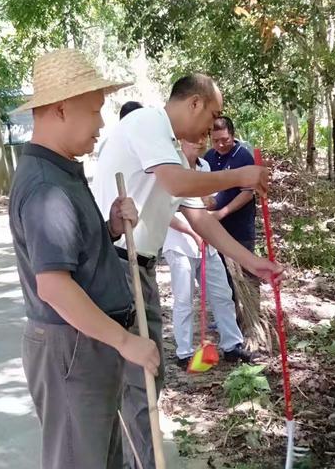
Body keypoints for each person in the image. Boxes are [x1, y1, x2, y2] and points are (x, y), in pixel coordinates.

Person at [92, 73, 283, 469]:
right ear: (194, 103)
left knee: (146, 379)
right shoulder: (147, 123)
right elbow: (176, 181)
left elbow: (202, 219)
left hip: (138, 268)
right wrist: (241, 175)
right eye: (212, 115)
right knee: (138, 381)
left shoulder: (173, 153)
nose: (211, 127)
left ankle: (139, 460)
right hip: (116, 263)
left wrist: (252, 263)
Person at [8, 48, 160, 469]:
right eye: (93, 111)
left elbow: (74, 255)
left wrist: (109, 228)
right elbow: (54, 286)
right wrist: (125, 341)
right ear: (61, 109)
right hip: (71, 350)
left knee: (99, 457)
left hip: (86, 344)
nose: (99, 124)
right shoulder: (45, 186)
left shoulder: (61, 171)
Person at [163, 138, 252, 369]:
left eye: (203, 137)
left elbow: (208, 203)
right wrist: (193, 232)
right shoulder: (171, 168)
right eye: (194, 138)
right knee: (184, 299)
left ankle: (232, 345)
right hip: (180, 243)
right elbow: (165, 212)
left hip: (207, 243)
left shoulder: (204, 167)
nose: (199, 142)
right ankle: (184, 352)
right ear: (181, 140)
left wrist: (210, 203)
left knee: (222, 293)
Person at [204, 116, 259, 306]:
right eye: (216, 140)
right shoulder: (208, 157)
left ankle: (252, 316)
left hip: (240, 227)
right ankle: (231, 316)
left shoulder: (243, 157)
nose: (220, 145)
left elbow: (247, 193)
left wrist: (222, 212)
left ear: (233, 136)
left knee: (246, 271)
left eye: (225, 140)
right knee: (223, 275)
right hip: (217, 230)